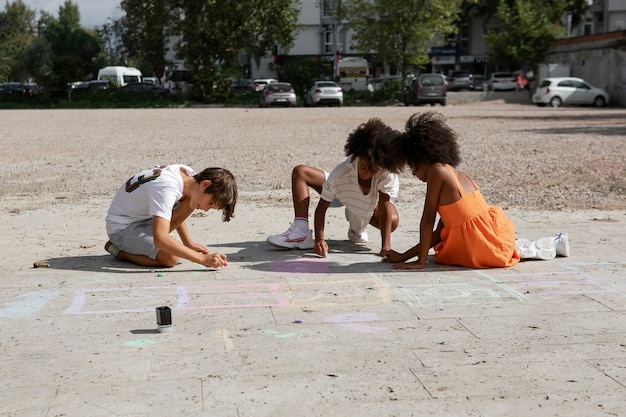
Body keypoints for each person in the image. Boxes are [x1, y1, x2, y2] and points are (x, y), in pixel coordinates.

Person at [382, 111, 568, 270]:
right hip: (491, 240)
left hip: (483, 246)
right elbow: (439, 233)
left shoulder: (437, 171)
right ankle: (553, 243)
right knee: (521, 247)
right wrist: (404, 256)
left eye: (413, 166)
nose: (414, 173)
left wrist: (420, 262)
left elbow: (428, 218)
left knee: (522, 248)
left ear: (422, 157)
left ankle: (551, 244)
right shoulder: (453, 173)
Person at [267, 118, 401, 258]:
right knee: (300, 171)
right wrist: (319, 240)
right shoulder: (341, 172)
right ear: (356, 156)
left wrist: (386, 246)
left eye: (373, 170)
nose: (367, 173)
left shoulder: (387, 172)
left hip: (364, 204)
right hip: (341, 191)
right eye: (363, 167)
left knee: (392, 221)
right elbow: (321, 209)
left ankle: (357, 229)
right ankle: (301, 232)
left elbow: (385, 204)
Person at [105, 164, 237, 268]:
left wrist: (188, 244)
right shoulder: (166, 188)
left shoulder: (187, 174)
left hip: (143, 219)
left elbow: (171, 210)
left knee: (191, 199)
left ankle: (143, 246)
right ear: (205, 184)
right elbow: (160, 239)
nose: (206, 209)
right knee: (170, 258)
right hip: (122, 229)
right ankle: (120, 252)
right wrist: (202, 259)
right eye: (210, 203)